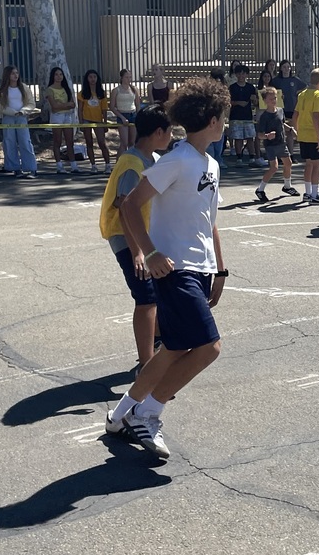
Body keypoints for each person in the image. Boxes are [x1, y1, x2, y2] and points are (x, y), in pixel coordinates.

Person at [104, 76, 231, 459]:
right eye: (222, 116)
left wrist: (220, 269)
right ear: (211, 119)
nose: (225, 122)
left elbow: (209, 220)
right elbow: (128, 205)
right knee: (208, 347)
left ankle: (122, 412)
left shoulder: (209, 163)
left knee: (174, 348)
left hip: (200, 267)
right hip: (173, 269)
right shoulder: (175, 160)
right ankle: (148, 414)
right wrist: (150, 252)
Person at [99, 104, 173, 372]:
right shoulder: (132, 164)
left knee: (155, 295)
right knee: (146, 298)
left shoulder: (148, 159)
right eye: (169, 131)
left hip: (140, 239)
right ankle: (147, 365)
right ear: (157, 132)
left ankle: (155, 344)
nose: (172, 137)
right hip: (125, 238)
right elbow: (124, 209)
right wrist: (137, 252)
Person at [255, 86, 300, 201]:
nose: (274, 101)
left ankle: (287, 186)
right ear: (265, 101)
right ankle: (260, 189)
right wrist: (267, 136)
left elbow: (282, 123)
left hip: (281, 143)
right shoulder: (264, 117)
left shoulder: (280, 111)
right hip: (270, 145)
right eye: (270, 99)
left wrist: (290, 129)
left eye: (275, 98)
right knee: (274, 168)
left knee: (288, 163)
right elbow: (259, 134)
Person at [0, 65, 37, 177]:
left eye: (16, 73)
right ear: (7, 75)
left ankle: (31, 168)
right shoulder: (1, 89)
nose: (15, 75)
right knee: (9, 142)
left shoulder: (24, 87)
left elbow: (31, 103)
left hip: (21, 117)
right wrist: (11, 112)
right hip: (8, 117)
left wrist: (23, 111)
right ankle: (14, 167)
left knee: (25, 141)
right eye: (12, 73)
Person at [292, 67, 319, 204]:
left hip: (303, 134)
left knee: (308, 164)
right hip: (313, 134)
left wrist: (296, 130)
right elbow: (316, 116)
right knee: (317, 165)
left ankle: (307, 192)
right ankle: (314, 194)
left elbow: (295, 114)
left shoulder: (302, 94)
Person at [229, 64, 266, 167]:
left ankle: (251, 157)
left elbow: (256, 102)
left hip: (248, 116)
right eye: (239, 73)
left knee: (250, 137)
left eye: (244, 73)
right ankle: (239, 157)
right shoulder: (232, 87)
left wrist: (255, 100)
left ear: (247, 75)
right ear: (236, 74)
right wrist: (238, 103)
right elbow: (228, 101)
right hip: (235, 116)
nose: (241, 75)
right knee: (238, 138)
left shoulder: (250, 87)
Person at [46, 66, 79, 173]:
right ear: (53, 76)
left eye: (60, 74)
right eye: (56, 74)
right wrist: (66, 105)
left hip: (67, 116)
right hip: (57, 117)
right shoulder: (50, 89)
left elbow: (73, 104)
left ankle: (74, 166)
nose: (59, 77)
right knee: (57, 141)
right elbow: (54, 106)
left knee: (70, 141)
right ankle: (59, 166)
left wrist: (62, 105)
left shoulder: (66, 88)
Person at [78, 69, 112, 173]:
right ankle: (93, 165)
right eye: (90, 77)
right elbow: (80, 109)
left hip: (98, 121)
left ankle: (107, 165)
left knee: (102, 143)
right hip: (86, 120)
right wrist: (81, 123)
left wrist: (105, 122)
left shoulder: (101, 93)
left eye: (94, 77)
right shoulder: (82, 93)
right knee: (89, 142)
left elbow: (104, 109)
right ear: (87, 79)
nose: (93, 79)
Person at [110, 68, 141, 156]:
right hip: (122, 115)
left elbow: (137, 104)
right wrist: (122, 117)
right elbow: (112, 107)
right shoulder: (116, 90)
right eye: (126, 77)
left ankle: (130, 163)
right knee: (124, 143)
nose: (128, 79)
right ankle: (118, 165)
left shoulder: (134, 89)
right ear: (122, 78)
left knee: (132, 142)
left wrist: (138, 116)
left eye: (130, 77)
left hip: (133, 114)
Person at [207, 68, 227, 165]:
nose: (218, 81)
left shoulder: (224, 89)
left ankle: (218, 159)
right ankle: (211, 161)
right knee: (209, 142)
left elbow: (226, 104)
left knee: (219, 141)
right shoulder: (207, 89)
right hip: (209, 117)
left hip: (220, 117)